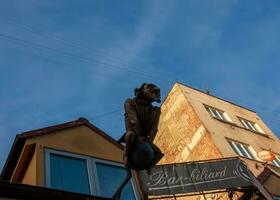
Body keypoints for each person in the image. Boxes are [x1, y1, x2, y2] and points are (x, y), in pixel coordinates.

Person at [124, 83, 164, 171]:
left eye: (156, 92)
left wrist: (149, 142)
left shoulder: (156, 110)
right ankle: (126, 157)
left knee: (159, 153)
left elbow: (154, 129)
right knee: (129, 135)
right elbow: (134, 120)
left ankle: (148, 168)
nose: (154, 92)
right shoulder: (130, 102)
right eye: (150, 88)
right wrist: (139, 136)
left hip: (145, 139)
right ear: (141, 91)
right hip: (134, 134)